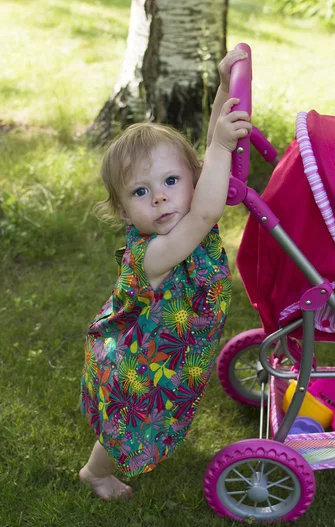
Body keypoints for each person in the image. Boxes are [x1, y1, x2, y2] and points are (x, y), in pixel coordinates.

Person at [79, 48, 252, 500]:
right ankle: (96, 473)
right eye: (141, 191)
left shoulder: (182, 208)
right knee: (129, 425)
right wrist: (220, 146)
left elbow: (198, 167)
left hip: (167, 351)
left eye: (171, 182)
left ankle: (102, 465)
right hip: (143, 366)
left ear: (192, 177)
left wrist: (221, 89)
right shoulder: (156, 254)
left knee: (134, 424)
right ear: (121, 210)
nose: (160, 198)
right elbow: (205, 214)